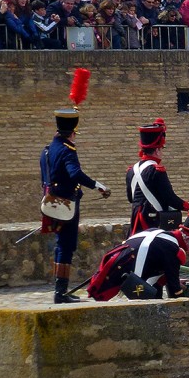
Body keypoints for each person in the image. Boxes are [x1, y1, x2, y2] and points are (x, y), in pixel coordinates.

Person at [40, 82, 112, 303]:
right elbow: (75, 174)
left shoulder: (49, 148)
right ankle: (60, 293)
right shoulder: (68, 151)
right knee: (66, 246)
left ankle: (59, 291)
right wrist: (98, 185)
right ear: (72, 132)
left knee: (61, 245)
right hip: (67, 204)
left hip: (52, 201)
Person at [89, 211, 189, 301]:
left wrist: (173, 280)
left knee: (156, 290)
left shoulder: (157, 233)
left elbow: (159, 264)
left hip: (118, 265)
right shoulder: (173, 249)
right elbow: (175, 290)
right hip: (129, 276)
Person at [126, 118, 189, 235]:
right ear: (157, 150)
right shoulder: (156, 170)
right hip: (151, 221)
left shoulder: (131, 170)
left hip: (135, 222)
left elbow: (131, 198)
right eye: (161, 149)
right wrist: (187, 205)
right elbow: (169, 197)